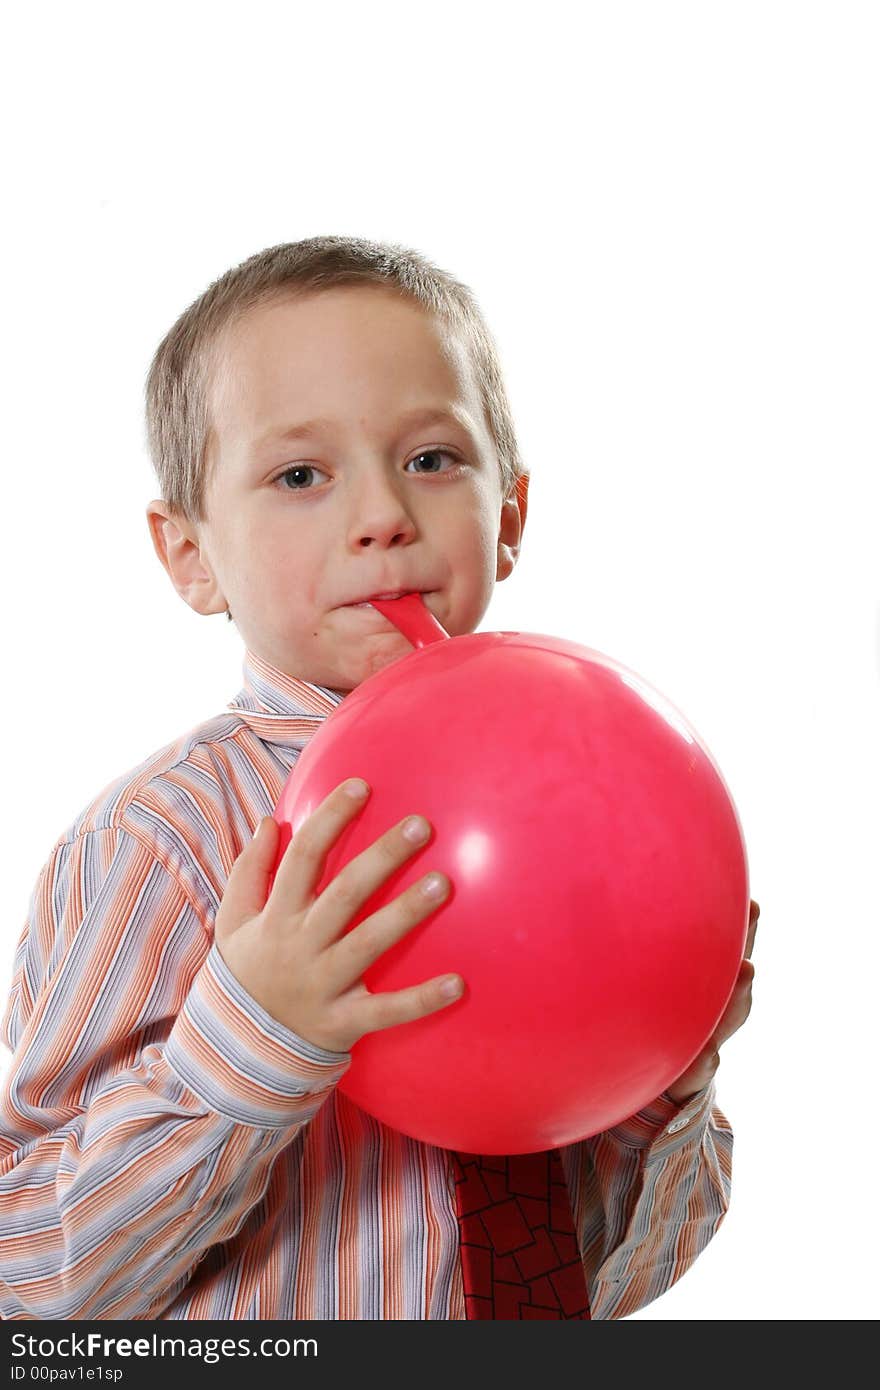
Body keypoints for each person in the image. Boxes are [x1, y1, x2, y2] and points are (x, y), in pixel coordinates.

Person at [0, 236, 758, 1321]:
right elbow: (30, 1275)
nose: (382, 515)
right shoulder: (161, 841)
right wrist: (253, 1032)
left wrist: (655, 1081)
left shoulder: (581, 815)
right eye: (301, 474)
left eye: (433, 458)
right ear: (189, 556)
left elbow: (615, 1284)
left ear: (510, 516)